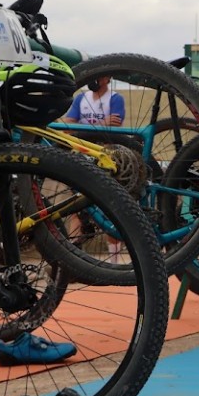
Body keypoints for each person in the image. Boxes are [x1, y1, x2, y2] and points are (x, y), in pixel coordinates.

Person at [62, 75, 128, 261]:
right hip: (81, 156)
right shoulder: (81, 98)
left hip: (104, 156)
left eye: (100, 77)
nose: (95, 80)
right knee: (75, 208)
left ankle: (113, 261)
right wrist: (100, 124)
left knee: (109, 210)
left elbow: (115, 127)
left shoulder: (115, 99)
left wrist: (82, 126)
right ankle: (75, 259)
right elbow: (67, 126)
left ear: (107, 79)